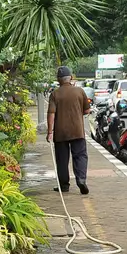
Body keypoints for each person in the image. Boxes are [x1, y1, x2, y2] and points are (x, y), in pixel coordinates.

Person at [46, 65, 93, 194]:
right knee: (80, 156)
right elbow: (87, 110)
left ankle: (64, 185)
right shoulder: (79, 91)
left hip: (60, 133)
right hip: (77, 131)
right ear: (71, 78)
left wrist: (50, 132)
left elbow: (51, 114)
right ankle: (81, 180)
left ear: (58, 79)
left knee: (62, 159)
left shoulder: (55, 94)